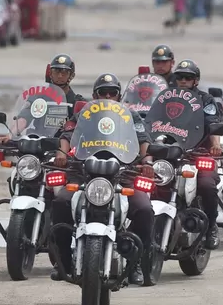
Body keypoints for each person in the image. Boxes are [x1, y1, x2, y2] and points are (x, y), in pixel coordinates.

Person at [50, 73, 154, 285]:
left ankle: (136, 263)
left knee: (144, 209)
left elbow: (143, 142)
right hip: (85, 173)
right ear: (94, 94)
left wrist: (148, 163)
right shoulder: (84, 114)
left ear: (119, 95)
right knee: (61, 202)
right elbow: (67, 136)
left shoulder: (130, 116)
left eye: (112, 92)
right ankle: (62, 261)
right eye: (102, 92)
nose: (107, 96)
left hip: (123, 173)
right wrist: (61, 154)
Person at [171, 59, 223, 249]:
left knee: (206, 184)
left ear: (196, 80)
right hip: (172, 153)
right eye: (180, 77)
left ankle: (211, 226)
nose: (183, 81)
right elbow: (152, 123)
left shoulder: (206, 100)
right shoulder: (166, 98)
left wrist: (215, 146)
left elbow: (213, 124)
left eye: (188, 78)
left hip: (200, 152)